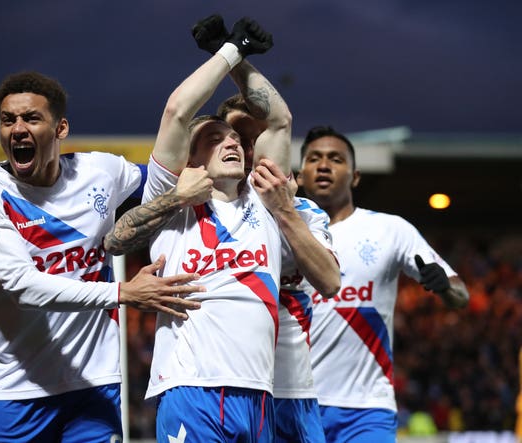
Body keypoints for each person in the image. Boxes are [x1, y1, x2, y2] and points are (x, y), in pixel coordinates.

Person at [0, 71, 207, 442]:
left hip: (95, 386)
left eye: (31, 118)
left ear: (61, 128)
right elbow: (23, 287)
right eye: (8, 120)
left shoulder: (99, 172)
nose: (18, 128)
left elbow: (161, 183)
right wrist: (124, 293)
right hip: (19, 391)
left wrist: (205, 179)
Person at [140, 14, 289, 442]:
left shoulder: (264, 200)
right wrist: (228, 52)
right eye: (213, 138)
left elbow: (278, 121)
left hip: (259, 394)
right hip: (192, 389)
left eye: (235, 139)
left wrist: (237, 52)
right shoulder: (171, 207)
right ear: (189, 162)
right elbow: (176, 110)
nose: (231, 143)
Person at [297, 125, 470, 443]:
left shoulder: (390, 230)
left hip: (367, 410)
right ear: (299, 176)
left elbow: (461, 295)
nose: (324, 165)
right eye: (314, 158)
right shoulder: (283, 233)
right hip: (297, 403)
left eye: (335, 159)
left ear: (356, 176)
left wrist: (444, 285)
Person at [217, 89, 340, 441]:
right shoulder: (202, 211)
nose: (251, 151)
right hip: (224, 389)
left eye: (260, 139)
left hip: (290, 392)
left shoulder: (305, 212)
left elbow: (330, 282)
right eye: (239, 140)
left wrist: (283, 209)